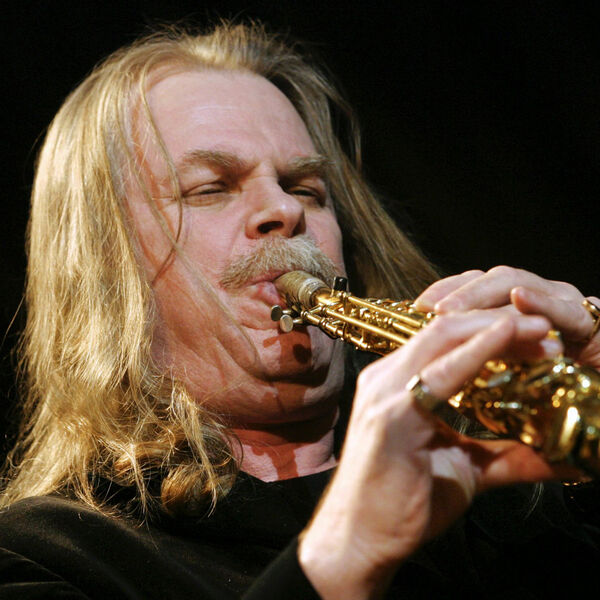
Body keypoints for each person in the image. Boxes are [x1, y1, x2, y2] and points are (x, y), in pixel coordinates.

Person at [1, 21, 600, 599]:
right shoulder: (40, 558)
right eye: (211, 187)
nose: (285, 211)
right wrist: (347, 553)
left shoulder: (517, 499)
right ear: (107, 265)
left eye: (306, 189)